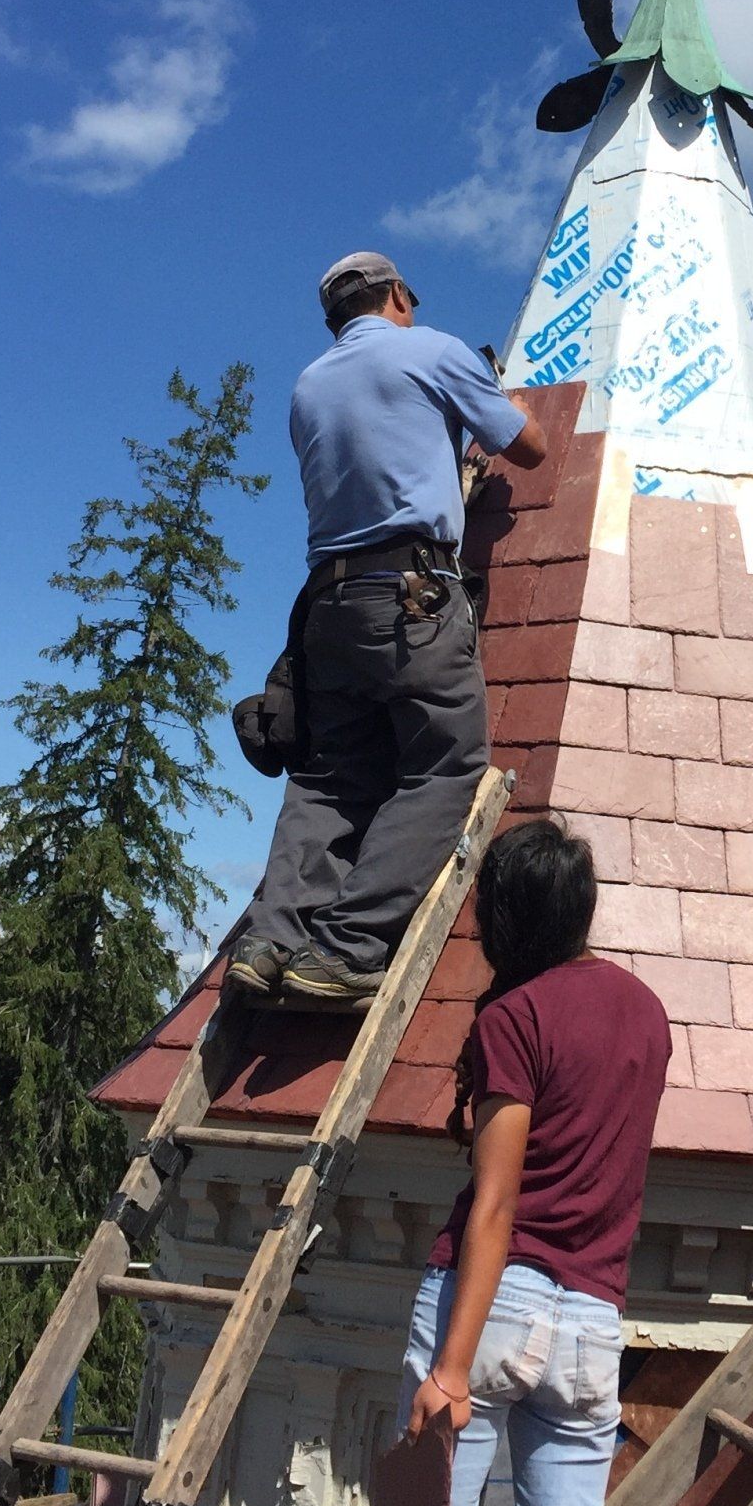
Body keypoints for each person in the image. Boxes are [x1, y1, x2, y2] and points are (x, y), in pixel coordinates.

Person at [336, 817, 672, 1506]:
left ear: (505, 917)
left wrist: (447, 1368)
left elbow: (494, 1204)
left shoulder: (513, 1020)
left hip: (484, 1315)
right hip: (590, 1327)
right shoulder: (646, 1013)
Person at [230, 251, 549, 1008]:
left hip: (328, 607)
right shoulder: (433, 351)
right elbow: (529, 449)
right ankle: (345, 950)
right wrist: (493, 397)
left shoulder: (308, 387)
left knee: (330, 776)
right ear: (397, 295)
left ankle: (271, 940)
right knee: (444, 764)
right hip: (410, 597)